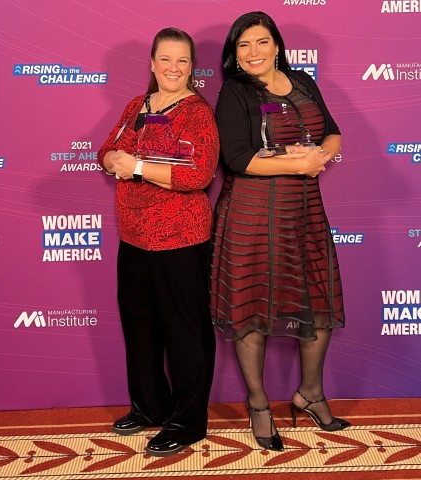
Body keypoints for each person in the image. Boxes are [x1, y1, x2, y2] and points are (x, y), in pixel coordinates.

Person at [210, 11, 350, 452]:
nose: (253, 53)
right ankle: (259, 405)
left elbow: (333, 134)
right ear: (235, 53)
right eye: (244, 45)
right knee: (252, 311)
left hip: (305, 213)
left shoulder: (304, 81)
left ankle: (310, 393)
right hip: (251, 216)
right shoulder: (234, 92)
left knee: (320, 302)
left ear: (277, 46)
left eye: (261, 42)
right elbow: (236, 158)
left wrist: (321, 155)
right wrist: (300, 163)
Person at [98, 27, 219, 457]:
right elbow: (106, 151)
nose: (173, 68)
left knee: (185, 332)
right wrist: (113, 158)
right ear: (152, 63)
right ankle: (150, 407)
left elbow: (197, 175)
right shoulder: (138, 105)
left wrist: (134, 167)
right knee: (140, 328)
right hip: (133, 237)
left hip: (180, 238)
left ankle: (187, 422)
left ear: (192, 67)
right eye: (165, 59)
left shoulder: (197, 113)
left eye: (182, 60)